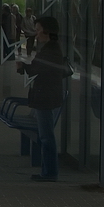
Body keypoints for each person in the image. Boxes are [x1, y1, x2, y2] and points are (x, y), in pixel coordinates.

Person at [16, 16, 67, 182]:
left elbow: (36, 69)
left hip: (45, 97)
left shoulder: (50, 51)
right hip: (47, 96)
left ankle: (50, 172)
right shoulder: (51, 49)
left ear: (47, 31)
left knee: (46, 137)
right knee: (46, 136)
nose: (36, 35)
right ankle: (48, 171)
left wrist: (23, 66)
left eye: (38, 30)